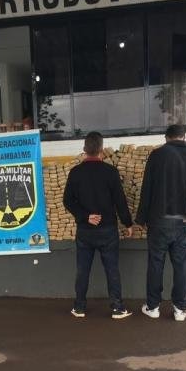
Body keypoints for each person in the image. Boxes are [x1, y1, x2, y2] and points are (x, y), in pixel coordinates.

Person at [135, 124, 186, 322]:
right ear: (184, 137)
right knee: (181, 266)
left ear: (166, 138)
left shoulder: (157, 155)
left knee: (155, 264)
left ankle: (153, 307)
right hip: (183, 223)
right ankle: (180, 309)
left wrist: (140, 220)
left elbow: (147, 190)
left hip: (158, 222)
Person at [63, 131, 134, 320]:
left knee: (82, 270)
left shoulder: (75, 173)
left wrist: (85, 216)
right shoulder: (110, 172)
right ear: (102, 150)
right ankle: (118, 308)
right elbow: (120, 201)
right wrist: (128, 223)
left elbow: (67, 201)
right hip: (108, 230)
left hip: (85, 230)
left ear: (85, 149)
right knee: (112, 269)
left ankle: (79, 307)